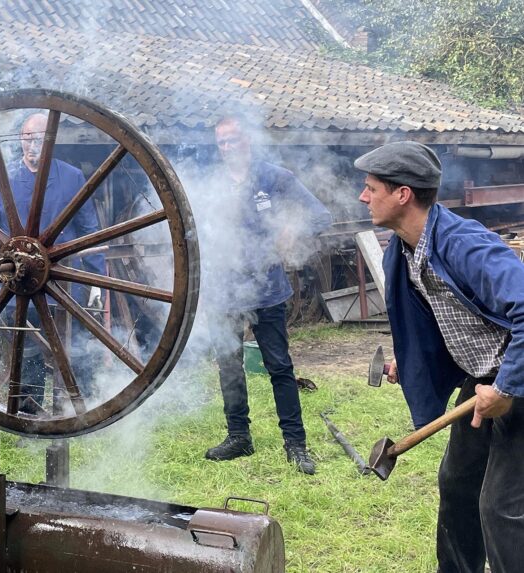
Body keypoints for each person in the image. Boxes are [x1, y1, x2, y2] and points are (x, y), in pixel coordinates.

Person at [355, 141, 524, 573]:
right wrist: (410, 363)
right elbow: (446, 320)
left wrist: (506, 388)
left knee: (501, 508)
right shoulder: (405, 249)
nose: (363, 196)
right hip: (481, 377)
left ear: (403, 194)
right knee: (457, 485)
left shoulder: (465, 243)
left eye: (371, 187)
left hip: (516, 375)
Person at [203, 114, 331, 475]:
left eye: (233, 140)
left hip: (267, 288)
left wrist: (292, 228)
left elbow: (320, 215)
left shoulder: (275, 177)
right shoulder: (212, 184)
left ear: (249, 141)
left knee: (279, 367)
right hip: (223, 288)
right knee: (229, 367)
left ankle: (296, 443)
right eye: (222, 143)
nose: (228, 148)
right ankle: (238, 437)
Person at [0, 112, 105, 413]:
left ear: (51, 141)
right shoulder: (1, 180)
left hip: (63, 280)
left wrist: (98, 283)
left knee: (71, 346)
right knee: (27, 347)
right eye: (27, 137)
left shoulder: (71, 177)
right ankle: (29, 410)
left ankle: (77, 408)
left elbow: (90, 233)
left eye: (39, 138)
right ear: (20, 139)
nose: (32, 145)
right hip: (18, 282)